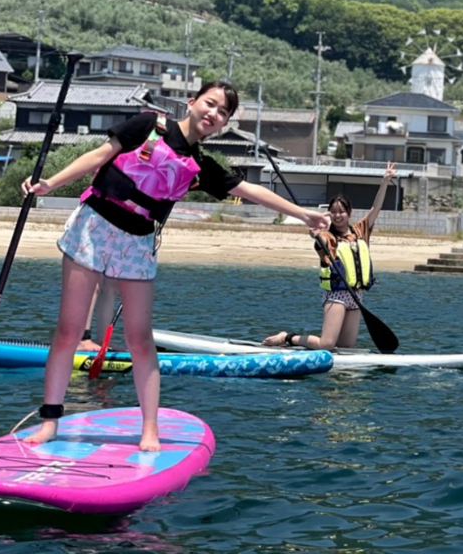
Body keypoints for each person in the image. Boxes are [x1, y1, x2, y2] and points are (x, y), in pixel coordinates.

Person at [20, 80, 328, 451]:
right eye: (210, 104)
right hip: (93, 226)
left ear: (224, 123)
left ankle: (150, 428)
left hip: (137, 242)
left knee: (139, 338)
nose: (213, 114)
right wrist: (50, 184)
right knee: (69, 331)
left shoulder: (200, 165)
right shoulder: (149, 124)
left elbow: (251, 191)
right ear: (192, 102)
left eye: (223, 113)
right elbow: (101, 155)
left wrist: (303, 214)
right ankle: (50, 422)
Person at [263, 163, 398, 351]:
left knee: (346, 346)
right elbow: (320, 242)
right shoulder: (328, 236)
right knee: (327, 344)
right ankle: (287, 337)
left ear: (349, 213)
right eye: (333, 212)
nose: (337, 215)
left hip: (356, 296)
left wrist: (385, 181)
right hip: (337, 296)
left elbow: (376, 207)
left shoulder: (361, 230)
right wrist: (315, 234)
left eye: (341, 211)